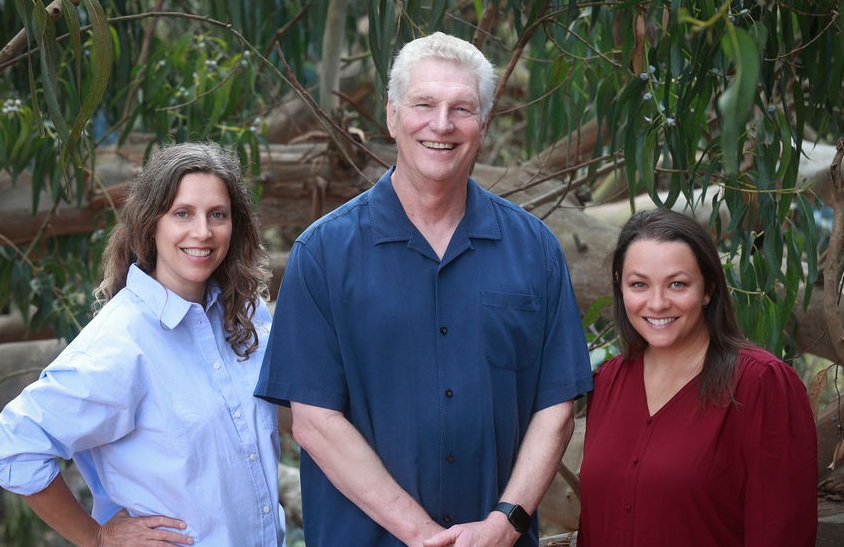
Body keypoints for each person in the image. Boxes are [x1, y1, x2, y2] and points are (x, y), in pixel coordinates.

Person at [254, 31, 593, 547]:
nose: (442, 124)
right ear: (393, 116)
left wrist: (505, 523)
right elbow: (315, 422)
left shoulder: (535, 250)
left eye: (462, 108)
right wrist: (425, 537)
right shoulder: (323, 253)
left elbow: (556, 408)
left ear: (484, 123)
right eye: (424, 104)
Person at [0, 142, 286, 546]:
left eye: (217, 214)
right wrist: (97, 537)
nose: (202, 232)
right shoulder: (121, 341)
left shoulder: (246, 314)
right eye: (182, 213)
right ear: (151, 223)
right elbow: (16, 442)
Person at [577, 207, 818, 546]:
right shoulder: (606, 383)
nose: (657, 303)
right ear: (620, 288)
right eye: (639, 284)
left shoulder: (761, 384)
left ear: (708, 288)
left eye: (677, 284)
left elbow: (780, 530)